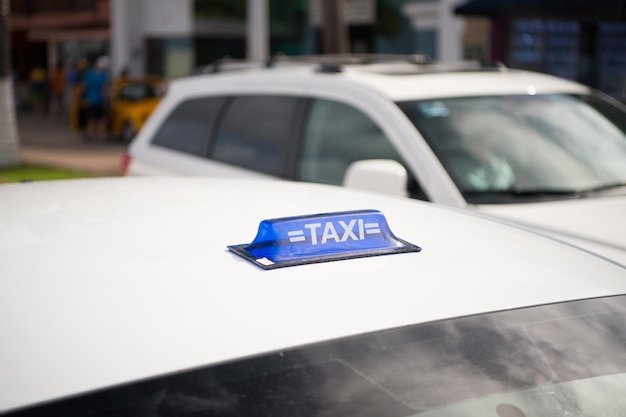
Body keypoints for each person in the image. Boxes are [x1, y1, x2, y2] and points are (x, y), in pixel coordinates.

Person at [81, 56, 110, 143]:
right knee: (101, 119)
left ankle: (90, 135)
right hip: (100, 101)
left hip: (90, 100)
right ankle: (102, 135)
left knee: (90, 118)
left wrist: (83, 97)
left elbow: (84, 87)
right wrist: (107, 101)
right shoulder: (103, 76)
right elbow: (104, 90)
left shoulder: (88, 74)